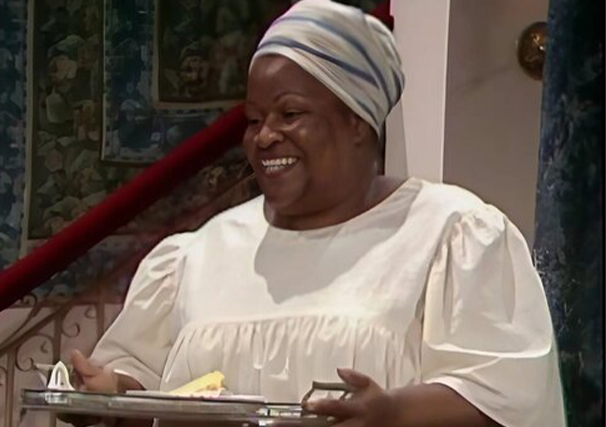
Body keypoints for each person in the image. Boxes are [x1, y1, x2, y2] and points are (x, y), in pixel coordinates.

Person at [69, 0, 566, 426]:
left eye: (290, 114)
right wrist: (112, 392)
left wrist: (393, 413)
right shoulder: (198, 255)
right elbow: (157, 388)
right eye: (254, 120)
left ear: (357, 122)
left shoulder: (449, 234)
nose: (265, 137)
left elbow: (507, 401)